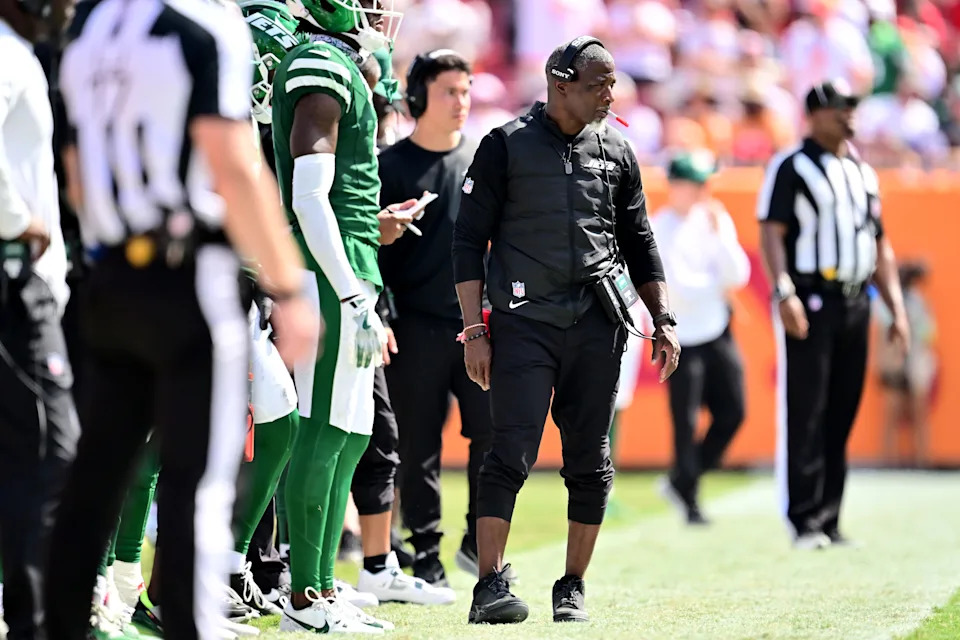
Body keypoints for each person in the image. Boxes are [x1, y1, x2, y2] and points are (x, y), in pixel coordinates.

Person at [45, 1, 317, 639]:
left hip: (106, 274)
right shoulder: (202, 26)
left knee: (91, 484)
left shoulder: (89, 26)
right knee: (198, 489)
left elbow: (79, 173)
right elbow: (233, 160)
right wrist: (289, 288)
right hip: (185, 275)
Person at [452, 36, 680, 625]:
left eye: (612, 83)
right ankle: (489, 586)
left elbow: (641, 243)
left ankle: (572, 585)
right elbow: (467, 242)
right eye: (597, 83)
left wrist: (664, 320)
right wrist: (474, 332)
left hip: (598, 323)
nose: (610, 93)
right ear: (560, 84)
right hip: (524, 322)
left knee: (591, 458)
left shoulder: (619, 149)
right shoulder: (505, 145)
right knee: (511, 450)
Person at [268, 0, 426, 633]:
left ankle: (323, 582)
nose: (379, 12)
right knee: (322, 430)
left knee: (353, 432)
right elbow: (310, 197)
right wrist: (350, 291)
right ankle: (304, 594)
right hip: (328, 274)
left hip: (353, 268)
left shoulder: (337, 60)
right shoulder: (318, 62)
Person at [758, 80, 909, 550]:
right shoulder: (792, 165)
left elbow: (879, 243)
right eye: (839, 107)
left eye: (852, 106)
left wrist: (896, 308)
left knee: (842, 410)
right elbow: (772, 232)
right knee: (808, 410)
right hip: (812, 297)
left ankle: (830, 516)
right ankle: (803, 519)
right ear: (814, 115)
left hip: (855, 300)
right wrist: (784, 292)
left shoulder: (863, 171)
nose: (849, 114)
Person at [377, 48, 504, 591]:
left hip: (479, 326)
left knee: (493, 435)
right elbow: (370, 253)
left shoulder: (486, 161)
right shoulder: (388, 166)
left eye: (466, 90)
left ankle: (480, 541)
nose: (461, 101)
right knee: (417, 445)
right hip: (413, 329)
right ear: (419, 95)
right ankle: (424, 552)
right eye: (450, 90)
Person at [0, 2, 78, 638]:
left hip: (25, 282)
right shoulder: (6, 51)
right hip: (14, 283)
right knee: (51, 451)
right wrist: (12, 218)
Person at [651, 151, 750, 525]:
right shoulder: (660, 227)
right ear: (677, 186)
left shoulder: (715, 218)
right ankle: (689, 498)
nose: (703, 191)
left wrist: (718, 236)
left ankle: (683, 479)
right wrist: (715, 287)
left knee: (733, 411)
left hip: (717, 329)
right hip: (680, 335)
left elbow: (737, 273)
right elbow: (679, 288)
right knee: (686, 420)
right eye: (697, 183)